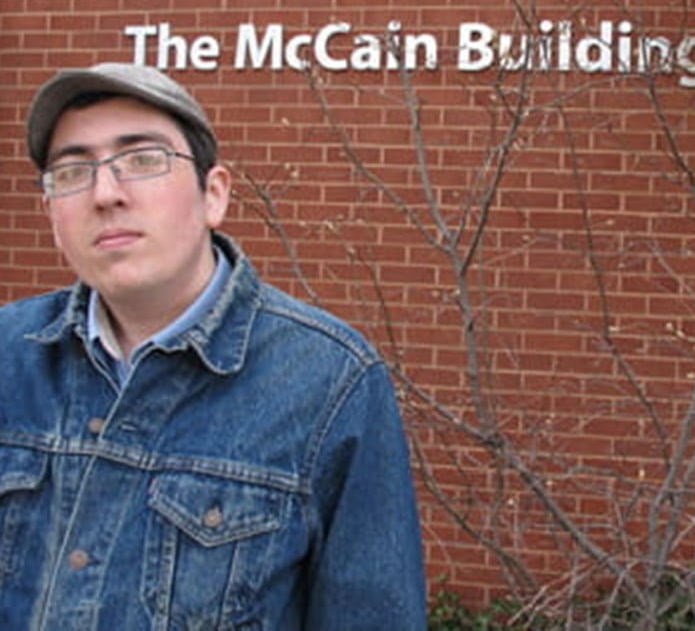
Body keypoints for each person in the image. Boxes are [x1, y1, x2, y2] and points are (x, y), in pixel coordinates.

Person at [0, 63, 426, 629]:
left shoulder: (329, 383)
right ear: (53, 216)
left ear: (214, 194)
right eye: (73, 170)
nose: (105, 193)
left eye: (143, 159)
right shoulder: (9, 354)